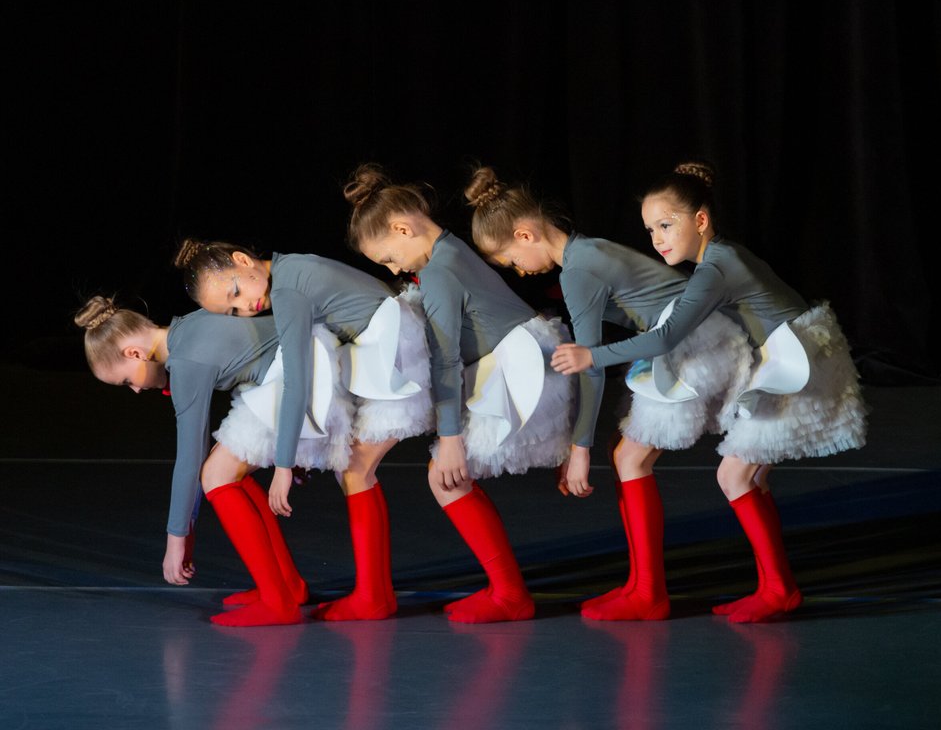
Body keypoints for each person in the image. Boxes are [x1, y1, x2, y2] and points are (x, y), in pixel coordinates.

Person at [552, 162, 868, 622]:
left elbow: (665, 338)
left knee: (734, 476)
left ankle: (779, 590)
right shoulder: (719, 257)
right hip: (792, 356)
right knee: (749, 478)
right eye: (650, 230)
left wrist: (591, 356)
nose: (657, 239)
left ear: (700, 220)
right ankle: (776, 587)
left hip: (798, 365)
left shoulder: (715, 269)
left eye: (666, 225)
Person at [464, 164, 750, 620]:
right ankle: (641, 586)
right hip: (686, 336)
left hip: (697, 341)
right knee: (628, 455)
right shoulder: (584, 252)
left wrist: (579, 450)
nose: (519, 271)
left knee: (630, 458)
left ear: (525, 235)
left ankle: (649, 594)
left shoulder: (578, 270)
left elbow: (590, 366)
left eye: (512, 260)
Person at [342, 164, 574, 623]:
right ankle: (507, 590)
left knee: (445, 475)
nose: (395, 269)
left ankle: (510, 595)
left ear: (403, 229)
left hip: (518, 366)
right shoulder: (449, 251)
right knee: (446, 478)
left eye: (389, 258)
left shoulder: (441, 271)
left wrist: (449, 439)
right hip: (520, 355)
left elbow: (445, 358)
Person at [174, 239, 433, 621]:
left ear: (243, 260)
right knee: (354, 469)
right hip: (384, 347)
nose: (244, 307)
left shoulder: (287, 289)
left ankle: (373, 597)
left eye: (236, 292)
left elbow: (296, 380)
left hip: (400, 351)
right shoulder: (288, 272)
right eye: (232, 310)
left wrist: (283, 465)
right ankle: (371, 594)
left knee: (357, 468)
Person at [74, 296, 341, 626]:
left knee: (216, 475)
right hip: (305, 361)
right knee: (228, 471)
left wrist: (176, 540)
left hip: (303, 374)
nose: (136, 390)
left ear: (134, 354)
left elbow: (190, 458)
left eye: (127, 381)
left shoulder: (186, 361)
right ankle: (286, 586)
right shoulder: (187, 327)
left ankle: (278, 602)